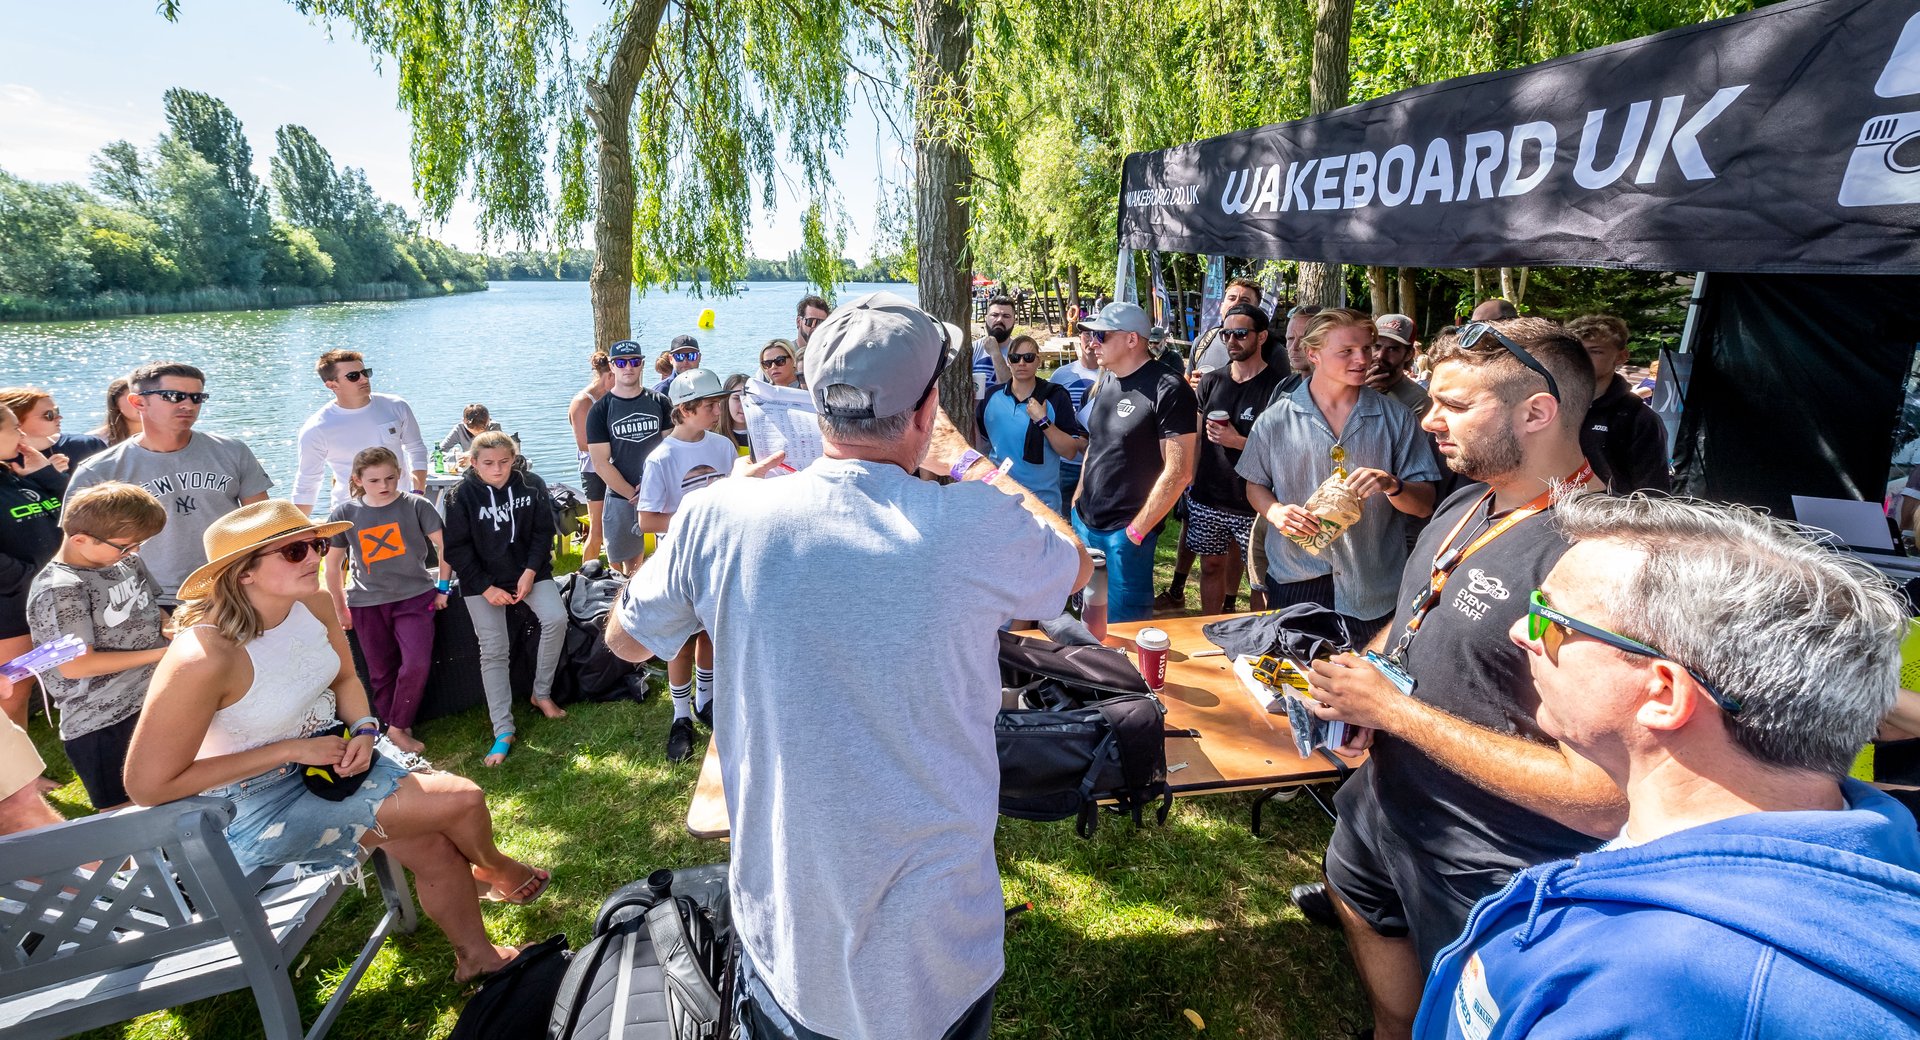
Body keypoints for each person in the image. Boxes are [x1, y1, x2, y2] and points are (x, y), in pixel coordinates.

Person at [606, 290, 1089, 1040]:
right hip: (940, 948)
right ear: (927, 414)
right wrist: (967, 462)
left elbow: (625, 641)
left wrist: (708, 522)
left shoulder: (719, 518)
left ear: (817, 405)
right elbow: (1075, 566)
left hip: (789, 944)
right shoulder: (973, 523)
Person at [1415, 495, 1920, 1038]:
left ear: (1663, 692)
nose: (1520, 631)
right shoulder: (1874, 851)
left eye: (1549, 616)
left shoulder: (1646, 999)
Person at [1293, 317, 1608, 1040]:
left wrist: (1398, 716)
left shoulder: (1595, 557)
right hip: (1386, 807)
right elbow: (1416, 613)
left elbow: (1601, 795)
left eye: (1457, 406)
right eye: (1433, 401)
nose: (1429, 420)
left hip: (1487, 860)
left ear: (1537, 411)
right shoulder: (1469, 500)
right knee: (1360, 904)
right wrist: (1359, 680)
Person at [123, 499, 549, 985]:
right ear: (244, 574)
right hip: (246, 806)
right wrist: (290, 750)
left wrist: (366, 730)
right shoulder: (202, 657)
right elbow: (148, 786)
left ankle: (479, 959)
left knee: (432, 847)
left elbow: (345, 678)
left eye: (317, 545)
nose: (315, 558)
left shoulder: (315, 602)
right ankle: (497, 871)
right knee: (463, 800)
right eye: (294, 551)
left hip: (329, 758)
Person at [1239, 309, 1441, 642]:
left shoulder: (1397, 418)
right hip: (1295, 580)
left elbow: (1423, 505)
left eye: (1367, 347)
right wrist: (1275, 511)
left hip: (1372, 588)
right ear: (1313, 353)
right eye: (1346, 351)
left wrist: (1393, 485)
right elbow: (1254, 484)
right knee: (1297, 685)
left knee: (1364, 687)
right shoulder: (1276, 419)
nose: (1363, 359)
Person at [67, 362, 273, 607]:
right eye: (173, 396)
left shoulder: (232, 450)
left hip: (231, 588)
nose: (188, 405)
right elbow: (76, 554)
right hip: (146, 599)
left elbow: (263, 523)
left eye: (197, 397)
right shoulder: (100, 470)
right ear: (138, 402)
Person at [25, 481, 169, 810]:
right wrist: (163, 653)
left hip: (153, 700)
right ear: (80, 540)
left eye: (139, 545)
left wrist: (171, 627)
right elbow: (76, 665)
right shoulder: (60, 590)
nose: (134, 552)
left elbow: (150, 607)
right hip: (102, 723)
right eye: (126, 546)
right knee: (127, 824)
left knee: (170, 804)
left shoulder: (124, 562)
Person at [441, 431, 567, 765]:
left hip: (529, 571)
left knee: (556, 618)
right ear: (473, 462)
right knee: (494, 650)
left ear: (514, 458)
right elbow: (456, 549)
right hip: (481, 582)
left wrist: (529, 572)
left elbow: (543, 532)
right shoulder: (460, 496)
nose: (497, 470)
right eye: (488, 463)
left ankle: (541, 694)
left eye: (504, 462)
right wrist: (485, 588)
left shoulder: (532, 484)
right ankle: (503, 728)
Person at [1072, 300, 1198, 622]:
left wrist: (1136, 532)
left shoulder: (1169, 388)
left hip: (1126, 533)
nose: (1092, 342)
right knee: (1089, 619)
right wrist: (1076, 501)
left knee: (1125, 630)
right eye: (1091, 336)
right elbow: (1096, 444)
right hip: (1086, 522)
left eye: (1102, 336)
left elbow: (1179, 471)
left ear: (1132, 339)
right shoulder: (1108, 380)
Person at [636, 368, 739, 762]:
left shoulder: (723, 448)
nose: (718, 410)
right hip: (678, 560)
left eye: (717, 403)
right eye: (710, 405)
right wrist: (696, 519)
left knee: (709, 632)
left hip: (717, 556)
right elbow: (648, 520)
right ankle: (680, 716)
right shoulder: (662, 458)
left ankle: (704, 700)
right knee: (679, 641)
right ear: (685, 409)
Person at [324, 447, 451, 756]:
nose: (384, 486)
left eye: (391, 478)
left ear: (400, 474)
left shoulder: (415, 505)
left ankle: (396, 727)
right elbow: (332, 566)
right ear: (357, 479)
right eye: (375, 480)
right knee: (380, 671)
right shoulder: (345, 514)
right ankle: (392, 725)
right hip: (366, 603)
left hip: (414, 598)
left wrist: (443, 587)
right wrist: (340, 608)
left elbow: (447, 545)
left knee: (416, 662)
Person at [1186, 304, 1287, 614]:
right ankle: (1209, 628)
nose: (1231, 340)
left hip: (1254, 502)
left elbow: (1284, 449)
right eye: (1225, 334)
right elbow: (1197, 437)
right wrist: (1188, 484)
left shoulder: (1278, 387)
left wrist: (1237, 441)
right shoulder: (1211, 381)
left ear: (1261, 337)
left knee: (1259, 580)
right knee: (1211, 567)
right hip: (1208, 497)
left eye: (1240, 334)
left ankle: (1260, 641)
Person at [292, 350, 429, 515]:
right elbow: (308, 482)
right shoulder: (317, 428)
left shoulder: (396, 406)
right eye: (353, 376)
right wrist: (298, 531)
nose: (364, 379)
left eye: (365, 373)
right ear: (332, 385)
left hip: (402, 507)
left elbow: (416, 448)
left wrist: (418, 493)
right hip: (351, 514)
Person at [1, 404, 71, 729]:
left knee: (22, 687)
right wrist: (37, 580)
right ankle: (19, 779)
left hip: (38, 602)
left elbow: (78, 513)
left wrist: (46, 475)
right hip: (10, 610)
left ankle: (24, 776)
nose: (23, 435)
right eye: (15, 428)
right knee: (9, 697)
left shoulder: (13, 476)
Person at [586, 339, 673, 575]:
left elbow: (672, 448)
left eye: (634, 361)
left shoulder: (660, 402)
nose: (628, 367)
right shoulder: (600, 410)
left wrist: (653, 487)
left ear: (642, 364)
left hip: (660, 491)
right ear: (612, 366)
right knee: (623, 565)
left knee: (666, 555)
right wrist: (632, 493)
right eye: (621, 362)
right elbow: (600, 462)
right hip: (622, 496)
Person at [976, 334, 1087, 514]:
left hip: (1042, 503)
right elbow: (980, 442)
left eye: (1028, 358)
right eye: (1015, 358)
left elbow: (1070, 450)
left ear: (1038, 361)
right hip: (998, 498)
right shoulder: (991, 397)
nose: (1022, 363)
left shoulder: (1056, 396)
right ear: (1008, 362)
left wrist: (1044, 422)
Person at [1568, 314, 1671, 494]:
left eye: (1595, 351)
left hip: (1606, 516)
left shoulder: (1638, 418)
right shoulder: (1551, 406)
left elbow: (1653, 492)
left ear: (1621, 357)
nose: (1582, 358)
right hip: (1544, 512)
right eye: (1575, 350)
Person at [569, 351, 615, 563]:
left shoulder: (614, 397)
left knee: (616, 528)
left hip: (615, 466)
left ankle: (620, 576)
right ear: (608, 375)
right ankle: (583, 579)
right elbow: (583, 443)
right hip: (593, 470)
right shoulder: (582, 402)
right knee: (597, 529)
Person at [1047, 330, 1101, 504]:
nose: (1091, 341)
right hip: (1064, 463)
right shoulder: (1061, 374)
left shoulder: (1111, 375)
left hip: (1097, 464)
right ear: (1079, 337)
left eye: (1097, 335)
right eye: (1087, 335)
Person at [2, 386, 108, 472]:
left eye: (57, 411)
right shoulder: (4, 462)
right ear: (16, 419)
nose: (59, 417)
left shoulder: (85, 445)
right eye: (49, 414)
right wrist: (49, 474)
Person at [1187, 276, 1265, 376]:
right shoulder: (1202, 342)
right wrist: (1192, 386)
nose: (1236, 303)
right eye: (1231, 298)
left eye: (1245, 300)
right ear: (1221, 306)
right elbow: (1186, 381)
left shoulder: (1270, 349)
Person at [1367, 314, 1429, 415]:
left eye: (1392, 349)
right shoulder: (1350, 388)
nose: (1380, 355)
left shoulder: (1419, 402)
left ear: (1409, 354)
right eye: (1376, 346)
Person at [93, 375, 142, 446]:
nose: (143, 403)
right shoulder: (95, 441)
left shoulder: (161, 437)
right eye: (135, 399)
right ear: (115, 402)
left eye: (148, 397)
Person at [793, 294, 830, 371]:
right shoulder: (783, 356)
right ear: (798, 322)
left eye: (822, 323)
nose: (816, 327)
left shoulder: (829, 356)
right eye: (811, 321)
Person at [722, 372, 753, 453]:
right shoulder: (713, 435)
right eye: (737, 398)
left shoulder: (765, 435)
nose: (743, 404)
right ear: (726, 400)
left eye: (748, 398)